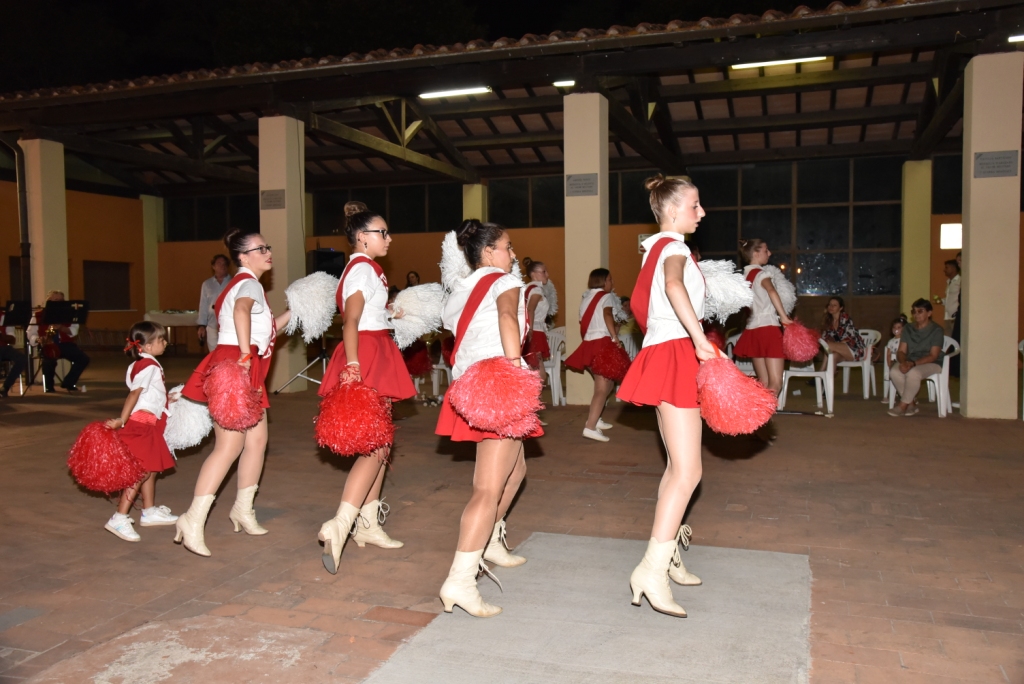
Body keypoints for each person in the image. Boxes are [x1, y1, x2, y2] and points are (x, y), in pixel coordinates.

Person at [617, 175, 715, 618]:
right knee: (689, 470)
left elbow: (644, 306)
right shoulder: (673, 247)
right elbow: (674, 288)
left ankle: (667, 555)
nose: (702, 213)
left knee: (677, 466)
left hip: (664, 349)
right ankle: (651, 571)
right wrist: (700, 340)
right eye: (695, 205)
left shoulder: (653, 248)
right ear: (672, 211)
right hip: (675, 351)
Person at [436, 219, 541, 618]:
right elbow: (507, 318)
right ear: (487, 252)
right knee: (487, 488)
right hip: (497, 382)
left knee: (517, 471)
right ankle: (461, 580)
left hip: (469, 386)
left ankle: (491, 541)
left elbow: (455, 332)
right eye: (507, 247)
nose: (513, 255)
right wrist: (515, 370)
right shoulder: (505, 281)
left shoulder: (459, 290)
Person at [176, 229, 291, 557]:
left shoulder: (242, 283)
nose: (267, 252)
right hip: (236, 364)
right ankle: (192, 520)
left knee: (257, 441)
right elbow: (241, 313)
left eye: (267, 247)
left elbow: (266, 331)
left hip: (242, 363)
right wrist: (243, 354)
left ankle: (242, 509)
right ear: (242, 257)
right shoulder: (249, 284)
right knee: (229, 447)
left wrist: (298, 311)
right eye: (260, 249)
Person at [317, 203, 416, 575]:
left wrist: (390, 313)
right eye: (382, 232)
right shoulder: (361, 269)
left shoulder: (364, 268)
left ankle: (368, 523)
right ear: (362, 237)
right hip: (368, 352)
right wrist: (354, 364)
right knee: (376, 446)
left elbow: (366, 314)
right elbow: (352, 320)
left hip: (374, 347)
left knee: (381, 440)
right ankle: (341, 523)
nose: (389, 238)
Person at [103, 322, 179, 541]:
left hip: (149, 424)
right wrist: (122, 420)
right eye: (161, 340)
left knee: (151, 468)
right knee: (141, 471)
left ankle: (149, 510)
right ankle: (119, 517)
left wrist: (166, 399)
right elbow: (134, 394)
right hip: (140, 424)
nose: (165, 343)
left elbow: (147, 394)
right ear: (146, 346)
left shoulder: (140, 364)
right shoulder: (149, 366)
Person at [564, 268, 622, 442]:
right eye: (610, 279)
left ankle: (596, 419)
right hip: (602, 343)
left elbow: (583, 320)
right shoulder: (606, 296)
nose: (612, 283)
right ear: (603, 281)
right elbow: (607, 314)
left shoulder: (586, 298)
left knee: (608, 383)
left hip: (589, 344)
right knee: (602, 388)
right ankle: (590, 427)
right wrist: (615, 336)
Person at [733, 239, 793, 396]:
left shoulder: (745, 276)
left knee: (764, 383)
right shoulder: (761, 274)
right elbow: (772, 291)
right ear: (755, 253)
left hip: (753, 329)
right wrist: (784, 317)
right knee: (775, 384)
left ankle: (760, 412)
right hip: (768, 327)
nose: (770, 253)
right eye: (766, 250)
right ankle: (766, 412)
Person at [888, 299, 944, 417]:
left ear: (929, 313)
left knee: (913, 373)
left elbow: (933, 355)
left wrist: (912, 364)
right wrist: (903, 362)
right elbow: (901, 351)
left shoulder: (936, 330)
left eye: (920, 311)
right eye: (914, 311)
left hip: (933, 363)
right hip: (910, 360)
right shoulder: (908, 328)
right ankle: (911, 403)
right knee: (894, 371)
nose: (916, 314)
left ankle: (902, 405)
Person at [40, 290, 90, 393]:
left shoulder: (70, 313)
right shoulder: (38, 315)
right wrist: (38, 339)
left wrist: (61, 328)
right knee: (48, 361)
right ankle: (49, 387)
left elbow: (74, 331)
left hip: (65, 344)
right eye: (55, 300)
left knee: (83, 359)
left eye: (61, 300)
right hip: (47, 344)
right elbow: (31, 333)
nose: (58, 303)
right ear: (48, 301)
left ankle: (69, 382)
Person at [521, 258, 551, 370]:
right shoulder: (537, 290)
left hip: (530, 328)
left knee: (533, 367)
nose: (547, 275)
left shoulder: (527, 288)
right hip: (535, 331)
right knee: (538, 370)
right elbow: (530, 309)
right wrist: (530, 329)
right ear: (533, 274)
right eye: (543, 272)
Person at [197, 254, 232, 351]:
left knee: (227, 353)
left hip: (229, 325)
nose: (222, 266)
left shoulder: (233, 282)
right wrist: (201, 325)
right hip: (212, 325)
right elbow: (203, 305)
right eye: (219, 263)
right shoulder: (207, 284)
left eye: (224, 264)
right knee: (213, 353)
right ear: (213, 266)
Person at [821, 296, 865, 368]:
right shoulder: (829, 321)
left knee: (827, 345)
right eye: (830, 305)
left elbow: (851, 337)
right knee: (833, 355)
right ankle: (827, 374)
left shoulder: (845, 318)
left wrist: (836, 344)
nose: (831, 307)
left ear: (840, 308)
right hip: (842, 351)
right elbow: (824, 338)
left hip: (855, 350)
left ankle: (822, 370)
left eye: (834, 305)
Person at [0, 310, 27, 398]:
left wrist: (1, 335)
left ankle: (5, 387)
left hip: (3, 347)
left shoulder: (5, 317)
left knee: (22, 358)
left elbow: (12, 340)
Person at [881, 314, 907, 402]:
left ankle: (909, 396)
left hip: (903, 363)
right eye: (894, 327)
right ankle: (890, 395)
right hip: (893, 363)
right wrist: (889, 364)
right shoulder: (891, 341)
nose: (896, 329)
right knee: (892, 376)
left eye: (899, 327)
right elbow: (888, 353)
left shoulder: (905, 340)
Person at [936, 258, 960, 337]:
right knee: (948, 339)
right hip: (947, 317)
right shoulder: (949, 282)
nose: (944, 270)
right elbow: (950, 299)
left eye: (947, 267)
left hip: (955, 317)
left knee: (956, 338)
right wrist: (941, 301)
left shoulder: (960, 281)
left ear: (953, 268)